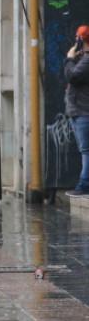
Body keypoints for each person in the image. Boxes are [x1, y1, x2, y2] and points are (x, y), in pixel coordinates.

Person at [65, 25, 89, 195]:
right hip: (79, 110)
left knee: (86, 149)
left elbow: (71, 76)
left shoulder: (87, 60)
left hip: (83, 111)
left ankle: (84, 184)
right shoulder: (84, 58)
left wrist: (70, 58)